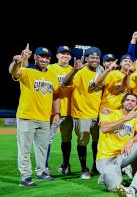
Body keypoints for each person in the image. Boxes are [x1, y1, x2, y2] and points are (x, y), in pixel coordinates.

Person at [9, 45, 60, 186]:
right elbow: (13, 72)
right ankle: (25, 177)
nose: (44, 59)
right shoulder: (27, 71)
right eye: (41, 56)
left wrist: (56, 113)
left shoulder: (52, 75)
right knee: (24, 149)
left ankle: (41, 171)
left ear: (50, 59)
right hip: (27, 116)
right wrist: (17, 61)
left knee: (42, 148)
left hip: (44, 118)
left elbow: (56, 95)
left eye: (47, 57)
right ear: (36, 57)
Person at [63, 47, 103, 179]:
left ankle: (95, 166)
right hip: (82, 114)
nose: (95, 60)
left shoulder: (101, 71)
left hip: (97, 115)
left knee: (97, 142)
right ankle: (83, 168)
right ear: (87, 58)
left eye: (97, 57)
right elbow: (64, 83)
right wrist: (74, 70)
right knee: (82, 142)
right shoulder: (80, 72)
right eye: (92, 57)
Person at [96, 93, 137, 191]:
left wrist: (131, 140)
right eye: (128, 100)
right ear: (123, 102)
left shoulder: (136, 118)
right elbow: (105, 129)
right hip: (105, 157)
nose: (130, 103)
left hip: (122, 154)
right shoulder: (109, 112)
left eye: (133, 101)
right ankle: (106, 175)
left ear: (136, 105)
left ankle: (116, 173)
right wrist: (125, 118)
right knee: (115, 187)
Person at [46, 46, 74, 175]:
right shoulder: (50, 68)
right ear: (57, 56)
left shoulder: (74, 70)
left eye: (68, 54)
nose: (65, 56)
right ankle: (44, 167)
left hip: (68, 111)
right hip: (52, 112)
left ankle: (65, 165)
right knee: (47, 139)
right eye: (62, 53)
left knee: (66, 139)